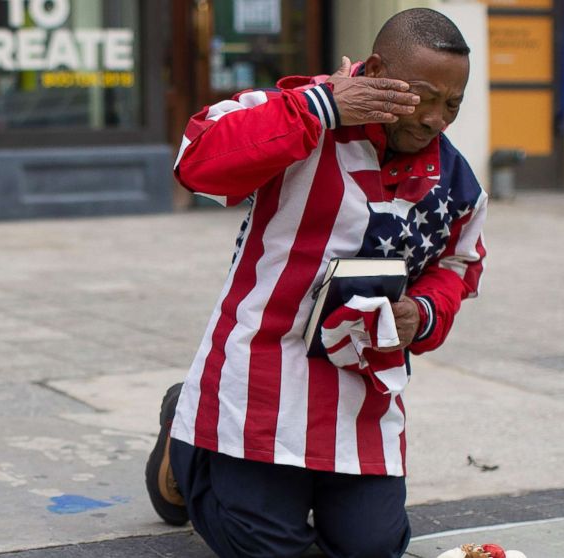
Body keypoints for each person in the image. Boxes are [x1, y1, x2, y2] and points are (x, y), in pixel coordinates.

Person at [145, 8, 487, 558]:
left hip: (361, 394)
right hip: (261, 382)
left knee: (373, 549)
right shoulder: (302, 110)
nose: (435, 119)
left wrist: (421, 313)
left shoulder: (456, 180)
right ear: (376, 69)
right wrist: (321, 106)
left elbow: (458, 266)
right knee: (267, 549)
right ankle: (185, 438)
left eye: (453, 104)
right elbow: (197, 162)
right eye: (424, 97)